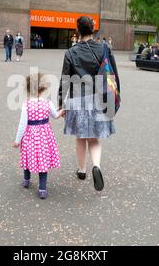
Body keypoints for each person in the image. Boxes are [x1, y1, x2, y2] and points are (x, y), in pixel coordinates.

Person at [58, 16, 120, 192]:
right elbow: (112, 73)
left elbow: (65, 79)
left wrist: (61, 103)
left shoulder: (70, 52)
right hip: (99, 98)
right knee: (94, 137)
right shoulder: (104, 48)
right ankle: (97, 166)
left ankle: (82, 170)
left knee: (81, 136)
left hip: (78, 98)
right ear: (93, 29)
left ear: (77, 30)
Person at [13, 73, 64, 199]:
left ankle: (26, 180)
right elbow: (55, 116)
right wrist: (62, 111)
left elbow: (22, 124)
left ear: (28, 89)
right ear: (42, 88)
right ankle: (42, 189)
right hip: (44, 136)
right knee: (43, 160)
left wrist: (17, 140)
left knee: (27, 156)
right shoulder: (47, 103)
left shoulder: (27, 105)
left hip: (30, 135)